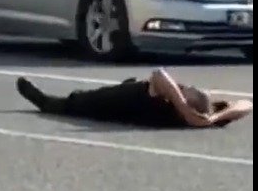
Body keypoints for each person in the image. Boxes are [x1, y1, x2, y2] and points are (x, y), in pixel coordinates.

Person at [16, 68, 252, 128]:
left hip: (115, 103)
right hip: (129, 97)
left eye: (184, 91)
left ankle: (45, 102)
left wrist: (181, 105)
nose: (181, 87)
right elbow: (247, 104)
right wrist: (215, 117)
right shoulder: (197, 117)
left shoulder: (168, 106)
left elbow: (159, 74)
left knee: (75, 103)